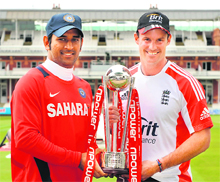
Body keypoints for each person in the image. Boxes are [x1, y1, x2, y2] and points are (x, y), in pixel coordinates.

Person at [10, 13, 119, 182]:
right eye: (62, 39)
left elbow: (83, 141)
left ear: (81, 44)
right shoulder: (31, 81)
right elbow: (26, 138)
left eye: (75, 39)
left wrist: (101, 153)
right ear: (47, 42)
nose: (69, 45)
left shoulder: (83, 87)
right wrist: (77, 159)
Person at [119, 11, 213, 182]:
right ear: (136, 38)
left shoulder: (185, 82)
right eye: (147, 39)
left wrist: (157, 165)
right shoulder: (124, 79)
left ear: (168, 40)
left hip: (169, 178)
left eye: (159, 40)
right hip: (128, 177)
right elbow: (117, 131)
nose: (152, 47)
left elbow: (203, 138)